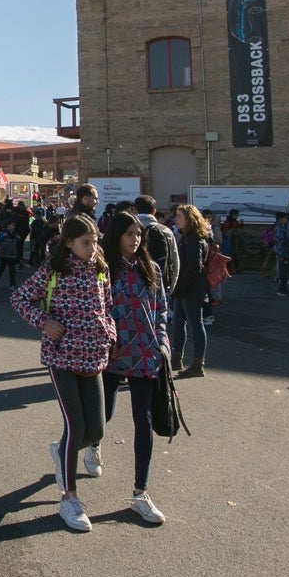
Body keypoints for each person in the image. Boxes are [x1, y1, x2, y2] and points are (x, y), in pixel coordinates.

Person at [9, 213, 116, 533]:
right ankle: (69, 497)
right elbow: (20, 298)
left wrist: (109, 335)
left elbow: (107, 306)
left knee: (96, 430)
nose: (92, 248)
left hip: (94, 357)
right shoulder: (54, 270)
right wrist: (45, 322)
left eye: (96, 241)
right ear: (69, 243)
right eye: (86, 243)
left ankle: (62, 450)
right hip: (62, 357)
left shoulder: (101, 268)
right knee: (76, 424)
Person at [88, 210, 169, 525]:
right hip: (114, 351)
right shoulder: (104, 269)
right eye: (129, 234)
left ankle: (140, 492)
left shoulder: (152, 269)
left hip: (146, 353)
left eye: (139, 235)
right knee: (104, 413)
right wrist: (108, 338)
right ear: (116, 236)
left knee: (143, 420)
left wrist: (162, 342)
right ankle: (93, 445)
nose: (135, 240)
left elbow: (162, 307)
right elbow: (99, 308)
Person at [170, 204, 211, 378]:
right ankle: (176, 358)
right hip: (184, 288)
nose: (175, 219)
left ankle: (197, 363)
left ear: (189, 219)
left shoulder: (194, 238)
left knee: (195, 324)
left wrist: (181, 285)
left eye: (179, 216)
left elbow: (194, 267)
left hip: (191, 288)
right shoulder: (187, 236)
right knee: (178, 323)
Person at [134, 194, 179, 295]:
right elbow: (175, 260)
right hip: (160, 285)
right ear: (154, 211)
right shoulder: (165, 231)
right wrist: (170, 288)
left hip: (132, 287)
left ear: (135, 210)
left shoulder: (128, 229)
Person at [0, 222, 23, 289]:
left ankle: (12, 284)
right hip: (3, 254)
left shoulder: (15, 234)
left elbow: (19, 242)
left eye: (14, 225)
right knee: (2, 268)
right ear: (8, 225)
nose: (13, 227)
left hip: (12, 254)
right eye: (12, 225)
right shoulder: (4, 232)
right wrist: (2, 236)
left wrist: (19, 238)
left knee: (12, 270)